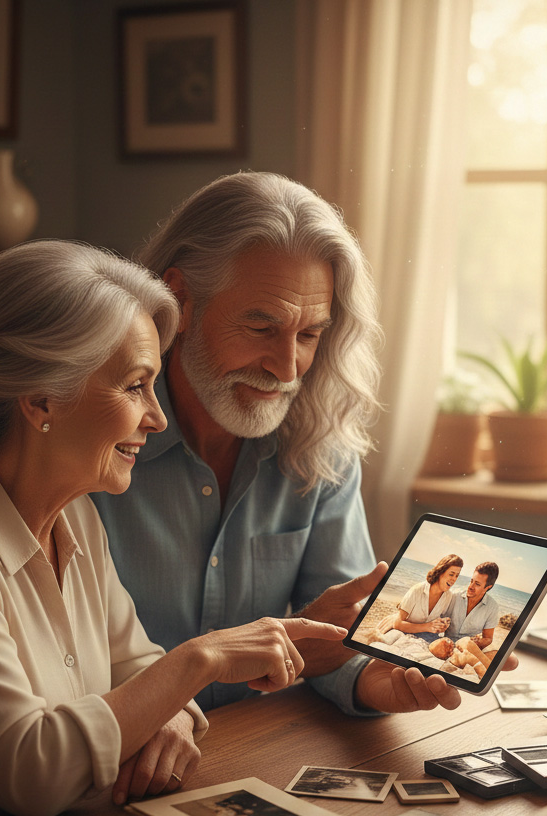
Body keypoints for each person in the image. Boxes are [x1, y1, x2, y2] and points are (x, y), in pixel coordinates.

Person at [0, 239, 347, 816]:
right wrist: (201, 659)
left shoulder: (75, 517)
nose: (156, 416)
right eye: (134, 386)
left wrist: (172, 712)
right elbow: (33, 772)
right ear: (41, 397)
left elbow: (136, 666)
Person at [90, 171, 466, 766]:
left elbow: (336, 633)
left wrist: (377, 682)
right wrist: (154, 713)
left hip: (253, 753)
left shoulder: (321, 442)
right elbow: (53, 661)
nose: (288, 368)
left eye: (311, 334)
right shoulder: (95, 438)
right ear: (179, 302)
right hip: (111, 768)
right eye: (261, 326)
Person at [388, 554, 463, 641]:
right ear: (440, 572)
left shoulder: (448, 596)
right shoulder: (417, 590)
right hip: (404, 633)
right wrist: (426, 627)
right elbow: (397, 624)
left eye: (457, 576)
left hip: (427, 636)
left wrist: (442, 624)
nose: (454, 579)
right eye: (451, 574)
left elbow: (438, 619)